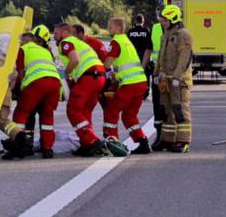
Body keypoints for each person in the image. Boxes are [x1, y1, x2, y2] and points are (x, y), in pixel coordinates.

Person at [54, 23, 106, 156]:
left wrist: (64, 73)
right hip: (99, 76)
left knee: (73, 109)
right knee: (85, 111)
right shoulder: (78, 41)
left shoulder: (65, 42)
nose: (54, 36)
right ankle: (87, 143)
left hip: (88, 76)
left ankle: (92, 141)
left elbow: (75, 59)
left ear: (65, 33)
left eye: (56, 33)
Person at [102, 17, 151, 154]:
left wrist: (104, 71)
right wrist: (116, 75)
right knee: (129, 115)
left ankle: (112, 142)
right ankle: (142, 142)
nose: (108, 29)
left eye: (110, 27)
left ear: (118, 28)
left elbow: (107, 63)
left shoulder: (116, 42)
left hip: (129, 85)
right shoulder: (126, 41)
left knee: (111, 110)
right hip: (140, 82)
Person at [12, 25, 62, 158]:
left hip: (36, 83)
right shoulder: (46, 52)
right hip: (55, 83)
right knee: (47, 116)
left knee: (21, 113)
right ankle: (47, 148)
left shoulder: (23, 49)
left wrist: (18, 88)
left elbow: (20, 72)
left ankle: (20, 145)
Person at [153, 5, 193, 153]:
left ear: (173, 19)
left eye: (165, 20)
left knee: (180, 110)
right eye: (162, 20)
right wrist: (156, 74)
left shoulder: (183, 35)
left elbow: (184, 58)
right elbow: (160, 57)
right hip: (166, 80)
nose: (163, 23)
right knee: (167, 110)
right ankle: (168, 140)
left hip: (179, 81)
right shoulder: (166, 34)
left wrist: (177, 77)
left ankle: (183, 141)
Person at [148, 8, 166, 147]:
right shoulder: (154, 28)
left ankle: (169, 137)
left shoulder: (177, 32)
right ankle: (159, 135)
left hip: (169, 73)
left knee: (168, 106)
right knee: (157, 105)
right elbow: (150, 48)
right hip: (156, 71)